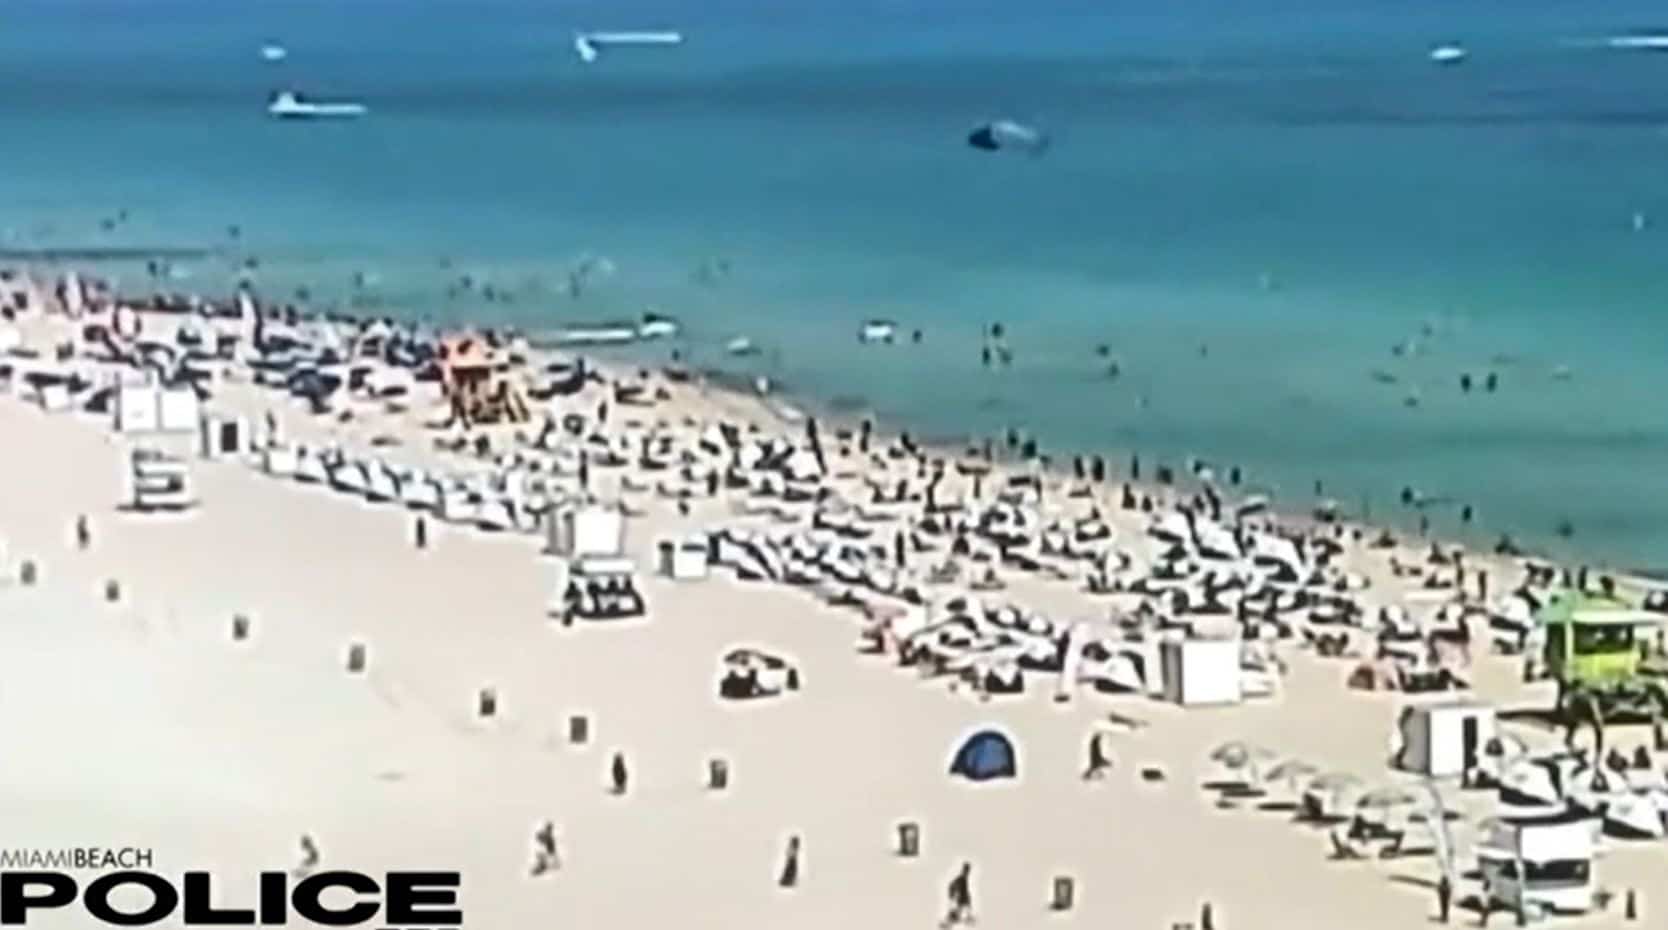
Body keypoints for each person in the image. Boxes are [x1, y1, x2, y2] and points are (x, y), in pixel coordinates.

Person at [942, 861, 974, 927]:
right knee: (957, 912)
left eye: (968, 870)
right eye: (967, 870)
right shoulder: (961, 878)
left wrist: (968, 897)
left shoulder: (964, 878)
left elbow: (964, 889)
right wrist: (952, 894)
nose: (968, 872)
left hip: (963, 899)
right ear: (964, 870)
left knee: (961, 911)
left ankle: (949, 922)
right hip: (960, 899)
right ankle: (948, 922)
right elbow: (952, 885)